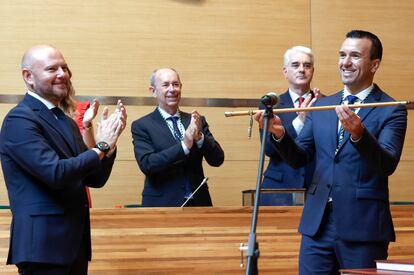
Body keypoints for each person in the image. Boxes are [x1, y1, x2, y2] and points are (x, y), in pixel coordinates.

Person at [255, 30, 407, 273]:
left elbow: (387, 164)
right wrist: (280, 135)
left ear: (374, 64)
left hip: (363, 226)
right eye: (342, 55)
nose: (345, 62)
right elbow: (300, 157)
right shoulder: (324, 105)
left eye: (355, 56)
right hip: (318, 223)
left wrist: (360, 135)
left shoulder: (391, 109)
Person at [0, 44, 127, 274]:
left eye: (65, 68)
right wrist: (101, 146)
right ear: (28, 77)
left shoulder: (65, 121)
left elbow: (94, 178)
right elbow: (56, 174)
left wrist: (110, 145)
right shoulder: (19, 119)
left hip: (74, 245)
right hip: (42, 248)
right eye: (52, 69)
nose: (63, 74)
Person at [131, 68, 224, 207]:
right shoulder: (142, 125)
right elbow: (148, 164)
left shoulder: (196, 121)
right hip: (162, 204)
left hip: (199, 202)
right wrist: (184, 146)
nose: (172, 89)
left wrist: (199, 138)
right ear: (153, 91)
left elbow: (217, 159)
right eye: (165, 85)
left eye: (176, 84)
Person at [259, 46, 320, 205]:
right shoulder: (270, 106)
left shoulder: (326, 104)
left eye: (307, 66)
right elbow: (269, 149)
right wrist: (300, 121)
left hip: (317, 186)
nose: (302, 70)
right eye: (295, 65)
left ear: (312, 71)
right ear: (285, 71)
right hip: (279, 187)